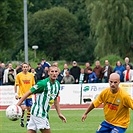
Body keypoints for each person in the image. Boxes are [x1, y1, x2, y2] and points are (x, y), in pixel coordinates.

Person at [17, 65, 67, 133]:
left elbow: (55, 99)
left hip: (38, 113)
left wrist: (59, 113)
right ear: (48, 73)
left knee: (31, 131)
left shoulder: (57, 84)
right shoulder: (43, 84)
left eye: (56, 71)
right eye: (52, 71)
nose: (54, 73)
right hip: (39, 113)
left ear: (58, 73)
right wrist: (17, 105)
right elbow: (28, 92)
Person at [14, 62, 35, 127]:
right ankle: (22, 119)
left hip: (29, 95)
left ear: (28, 68)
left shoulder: (31, 75)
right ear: (22, 68)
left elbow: (33, 84)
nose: (25, 68)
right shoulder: (19, 75)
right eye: (24, 67)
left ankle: (28, 121)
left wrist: (34, 91)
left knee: (29, 108)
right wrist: (16, 94)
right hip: (22, 95)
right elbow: (16, 85)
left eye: (26, 67)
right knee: (23, 108)